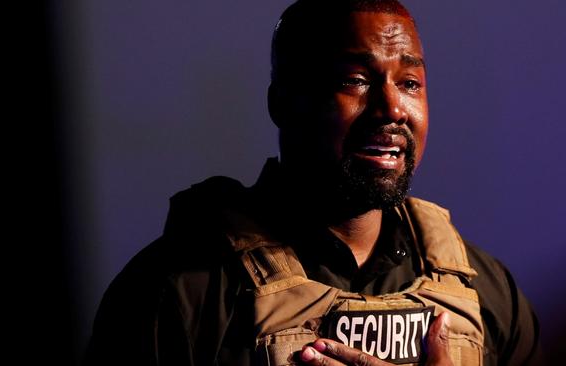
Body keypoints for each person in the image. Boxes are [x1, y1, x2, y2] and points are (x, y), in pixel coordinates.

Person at [85, 1, 542, 365]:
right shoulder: (180, 294)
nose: (392, 108)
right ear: (282, 103)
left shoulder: (485, 292)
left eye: (410, 82)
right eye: (356, 80)